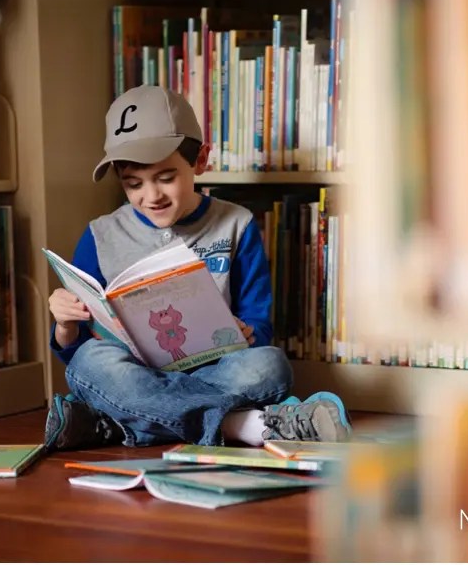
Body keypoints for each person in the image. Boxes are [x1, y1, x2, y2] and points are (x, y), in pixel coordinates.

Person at [44, 85, 352, 451]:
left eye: (166, 178)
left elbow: (259, 325)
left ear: (200, 160)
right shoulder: (101, 235)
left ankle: (113, 422)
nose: (151, 196)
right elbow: (75, 350)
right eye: (133, 184)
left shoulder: (236, 224)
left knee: (269, 365)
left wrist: (245, 332)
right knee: (91, 363)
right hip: (134, 372)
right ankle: (245, 424)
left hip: (216, 369)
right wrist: (65, 324)